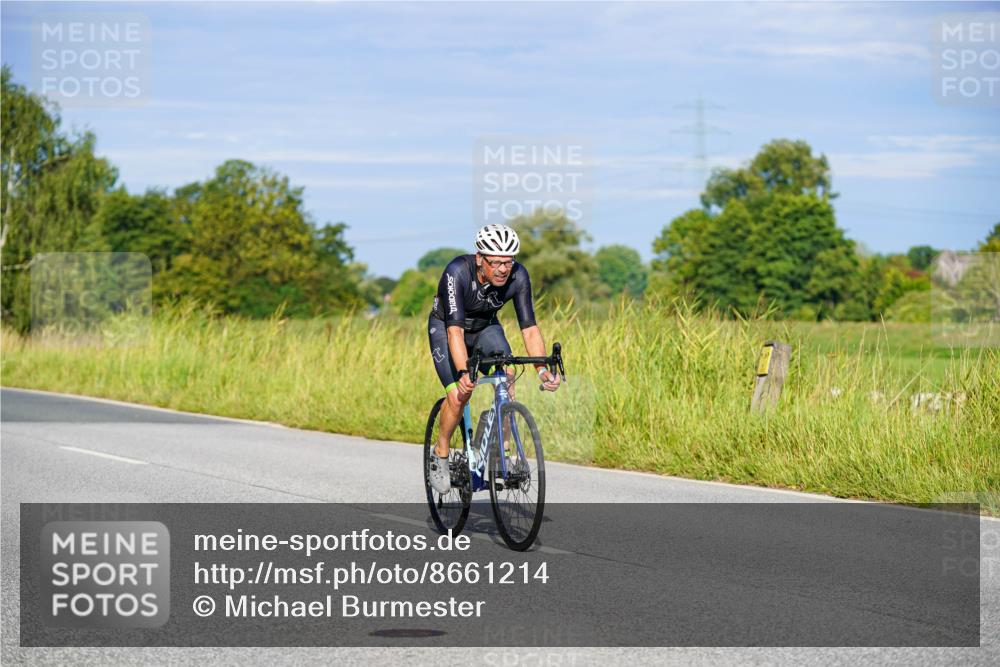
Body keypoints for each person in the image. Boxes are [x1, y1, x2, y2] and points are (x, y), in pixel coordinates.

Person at [426, 223, 561, 494]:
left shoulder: (519, 276)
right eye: (496, 262)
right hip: (447, 328)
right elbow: (455, 331)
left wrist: (542, 371)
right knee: (458, 395)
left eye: (508, 262)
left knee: (508, 373)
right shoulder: (457, 272)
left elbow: (530, 328)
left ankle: (503, 455)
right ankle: (440, 454)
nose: (502, 269)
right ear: (480, 259)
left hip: (486, 327)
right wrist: (465, 374)